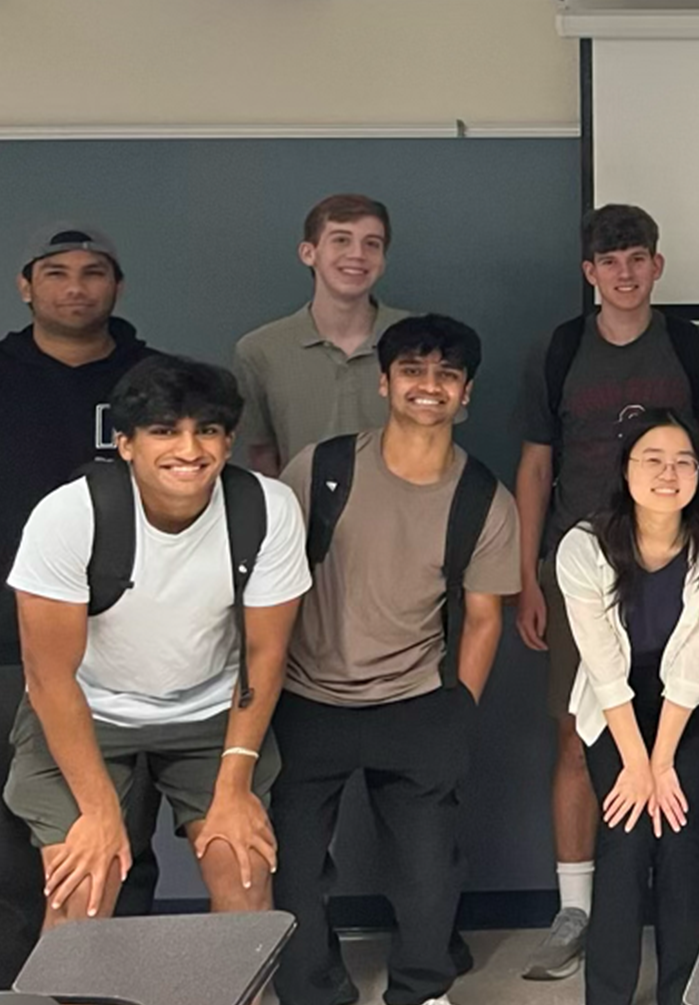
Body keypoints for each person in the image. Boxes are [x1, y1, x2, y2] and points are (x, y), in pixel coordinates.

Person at [4, 356, 309, 928]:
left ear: (229, 440)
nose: (189, 450)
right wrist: (97, 811)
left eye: (208, 431)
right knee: (83, 889)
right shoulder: (70, 515)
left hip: (210, 711)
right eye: (165, 431)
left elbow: (266, 657)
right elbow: (49, 677)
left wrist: (235, 783)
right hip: (87, 709)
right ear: (125, 444)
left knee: (244, 876)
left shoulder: (267, 509)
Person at [513, 203, 699, 980]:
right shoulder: (562, 349)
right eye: (610, 261)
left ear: (657, 266)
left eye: (638, 258)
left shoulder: (690, 347)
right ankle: (575, 908)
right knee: (580, 741)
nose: (625, 272)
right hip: (585, 573)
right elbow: (537, 465)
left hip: (681, 561)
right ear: (590, 273)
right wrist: (526, 573)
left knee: (672, 825)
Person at [271, 316, 519, 1005]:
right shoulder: (320, 470)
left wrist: (456, 710)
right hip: (305, 698)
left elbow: (480, 619)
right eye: (413, 370)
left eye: (446, 374)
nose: (428, 386)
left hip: (415, 703)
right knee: (292, 868)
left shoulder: (484, 499)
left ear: (465, 394)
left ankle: (421, 987)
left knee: (426, 871)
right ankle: (312, 989)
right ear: (384, 382)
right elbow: (268, 589)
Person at [0, 227, 159, 983]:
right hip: (4, 651)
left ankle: (115, 988)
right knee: (10, 847)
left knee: (121, 841)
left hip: (127, 654)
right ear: (26, 286)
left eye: (94, 271)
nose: (75, 286)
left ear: (117, 286)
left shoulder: (155, 383)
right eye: (55, 273)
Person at [556, 410, 699, 1005]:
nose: (670, 473)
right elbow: (605, 668)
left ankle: (683, 994)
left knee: (680, 831)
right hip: (615, 701)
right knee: (627, 833)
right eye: (653, 460)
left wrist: (662, 763)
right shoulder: (583, 547)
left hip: (695, 702)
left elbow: (691, 668)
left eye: (684, 461)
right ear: (626, 470)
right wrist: (637, 765)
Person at [234, 195, 410, 477]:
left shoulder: (422, 343)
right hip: (302, 516)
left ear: (383, 260)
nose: (357, 254)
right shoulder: (259, 350)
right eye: (341, 239)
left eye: (372, 244)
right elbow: (260, 451)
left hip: (406, 517)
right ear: (308, 253)